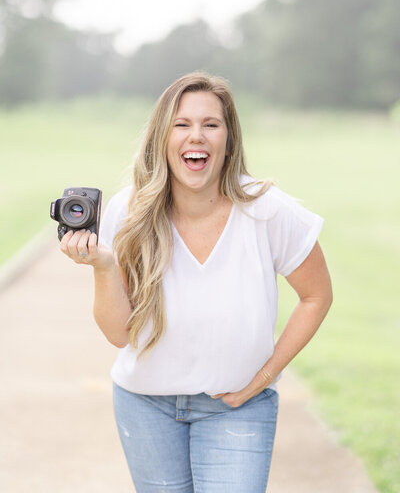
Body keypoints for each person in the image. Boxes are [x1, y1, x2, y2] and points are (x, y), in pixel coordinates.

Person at [60, 71, 332, 492]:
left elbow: (316, 296)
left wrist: (263, 379)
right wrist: (103, 266)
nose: (197, 136)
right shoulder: (128, 211)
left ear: (229, 138)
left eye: (211, 124)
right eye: (182, 124)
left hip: (238, 410)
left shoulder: (267, 210)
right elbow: (118, 334)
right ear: (162, 138)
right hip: (145, 408)